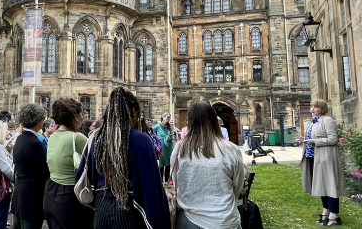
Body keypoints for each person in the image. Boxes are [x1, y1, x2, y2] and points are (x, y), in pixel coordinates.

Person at [76, 87, 171, 229]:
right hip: (129, 211)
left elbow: (83, 177)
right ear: (134, 112)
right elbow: (151, 186)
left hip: (100, 210)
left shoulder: (96, 138)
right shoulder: (141, 140)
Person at [171, 101, 244, 229]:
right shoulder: (231, 149)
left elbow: (176, 184)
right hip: (225, 220)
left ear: (190, 121)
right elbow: (238, 187)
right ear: (214, 120)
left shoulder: (179, 149)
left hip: (190, 219)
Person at [43, 98, 93, 228]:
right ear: (75, 117)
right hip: (70, 197)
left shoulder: (53, 136)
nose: (83, 119)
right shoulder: (77, 137)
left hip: (51, 193)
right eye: (82, 114)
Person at [300, 99, 345, 226]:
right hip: (315, 157)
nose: (312, 109)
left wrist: (314, 141)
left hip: (326, 158)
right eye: (312, 107)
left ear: (322, 108)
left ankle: (334, 215)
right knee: (321, 185)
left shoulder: (327, 120)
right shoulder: (314, 121)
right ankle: (326, 211)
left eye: (316, 107)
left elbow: (333, 139)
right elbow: (314, 137)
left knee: (330, 185)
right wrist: (303, 139)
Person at [11, 104, 50, 229]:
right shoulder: (34, 142)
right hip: (32, 194)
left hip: (21, 189)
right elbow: (44, 171)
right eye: (42, 119)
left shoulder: (21, 138)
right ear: (38, 120)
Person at [153, 113, 175, 183]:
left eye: (169, 118)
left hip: (168, 147)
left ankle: (166, 183)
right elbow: (151, 133)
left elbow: (173, 136)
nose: (168, 119)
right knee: (161, 165)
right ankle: (160, 182)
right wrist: (156, 143)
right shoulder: (157, 126)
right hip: (161, 148)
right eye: (167, 117)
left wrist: (170, 137)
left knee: (168, 165)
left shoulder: (170, 127)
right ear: (163, 117)